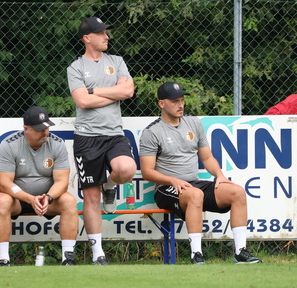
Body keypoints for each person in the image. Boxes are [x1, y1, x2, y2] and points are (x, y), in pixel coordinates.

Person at [139, 82, 263, 264]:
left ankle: (240, 252)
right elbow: (147, 172)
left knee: (237, 192)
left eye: (182, 100)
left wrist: (219, 175)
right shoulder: (152, 132)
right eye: (175, 101)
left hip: (193, 183)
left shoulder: (193, 123)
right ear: (161, 104)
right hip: (166, 188)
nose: (180, 105)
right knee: (195, 195)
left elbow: (207, 158)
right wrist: (173, 180)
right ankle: (196, 255)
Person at [66, 17, 136, 265]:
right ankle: (98, 254)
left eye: (106, 32)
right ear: (87, 38)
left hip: (114, 134)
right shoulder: (75, 68)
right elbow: (82, 102)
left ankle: (109, 185)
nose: (107, 36)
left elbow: (128, 91)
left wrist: (94, 90)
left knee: (126, 169)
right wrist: (111, 93)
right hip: (87, 138)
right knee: (91, 198)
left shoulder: (116, 61)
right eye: (101, 33)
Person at [0, 106, 79, 266]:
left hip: (46, 199)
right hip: (17, 199)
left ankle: (68, 257)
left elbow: (62, 181)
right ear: (26, 129)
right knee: (2, 201)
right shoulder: (9, 144)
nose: (45, 132)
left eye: (46, 127)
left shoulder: (57, 143)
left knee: (69, 201)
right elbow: (4, 183)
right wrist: (29, 198)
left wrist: (48, 197)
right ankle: (3, 258)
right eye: (40, 129)